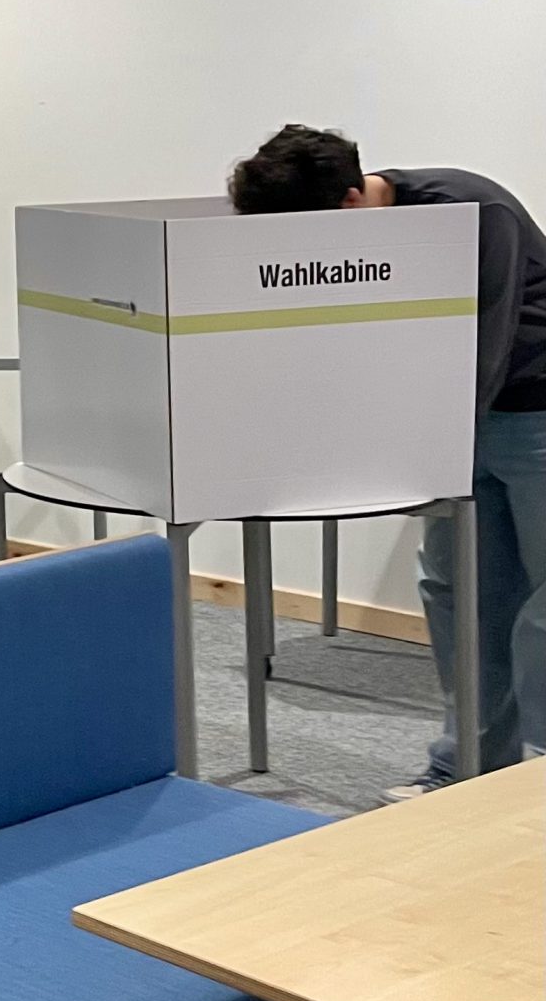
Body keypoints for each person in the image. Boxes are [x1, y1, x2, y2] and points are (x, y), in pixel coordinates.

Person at [230, 124, 546, 797]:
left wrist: (422, 448)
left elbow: (486, 346)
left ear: (349, 201)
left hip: (532, 413)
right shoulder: (358, 227)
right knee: (462, 594)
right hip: (460, 423)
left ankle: (535, 782)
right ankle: (466, 768)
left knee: (542, 603)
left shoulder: (469, 209)